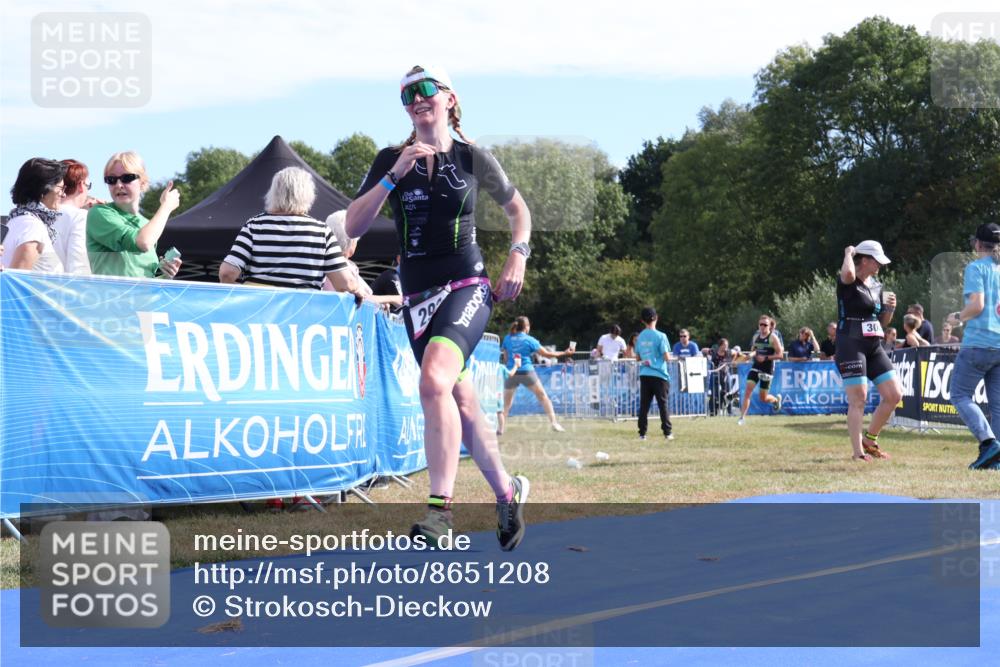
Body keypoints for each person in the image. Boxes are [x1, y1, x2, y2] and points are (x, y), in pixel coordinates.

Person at [345, 65, 532, 551]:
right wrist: (393, 176)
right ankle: (508, 492)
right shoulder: (391, 158)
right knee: (464, 405)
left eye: (426, 88)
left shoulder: (473, 158)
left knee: (432, 382)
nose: (417, 98)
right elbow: (353, 225)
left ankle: (439, 512)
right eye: (407, 93)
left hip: (466, 285)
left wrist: (518, 253)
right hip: (417, 297)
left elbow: (518, 210)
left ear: (450, 98)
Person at [219, 169, 365, 297]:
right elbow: (344, 283)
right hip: (302, 318)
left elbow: (227, 273)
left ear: (273, 193)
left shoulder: (254, 226)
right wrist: (357, 289)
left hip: (259, 316)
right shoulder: (322, 232)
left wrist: (244, 297)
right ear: (308, 195)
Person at [833, 241, 903, 461]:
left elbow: (882, 322)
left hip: (873, 345)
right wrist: (848, 252)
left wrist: (891, 309)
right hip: (850, 344)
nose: (880, 266)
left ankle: (870, 439)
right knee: (859, 399)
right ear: (864, 260)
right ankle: (858, 453)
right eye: (876, 261)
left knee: (894, 395)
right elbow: (848, 272)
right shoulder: (848, 281)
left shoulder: (877, 285)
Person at [947, 222, 1000, 470]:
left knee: (959, 394)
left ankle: (989, 444)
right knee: (997, 405)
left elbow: (977, 306)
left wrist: (956, 317)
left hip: (979, 342)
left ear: (978, 244)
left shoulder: (976, 268)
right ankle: (997, 459)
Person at [87, 151, 182, 278]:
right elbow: (143, 243)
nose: (119, 185)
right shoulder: (99, 213)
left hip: (143, 297)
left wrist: (166, 274)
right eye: (111, 180)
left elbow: (146, 280)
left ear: (143, 183)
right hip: (113, 297)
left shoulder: (148, 226)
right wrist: (166, 207)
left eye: (127, 178)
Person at [500, 316, 573, 434]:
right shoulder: (530, 340)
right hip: (526, 372)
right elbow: (548, 355)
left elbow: (505, 357)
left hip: (511, 372)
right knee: (543, 396)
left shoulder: (507, 338)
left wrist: (509, 368)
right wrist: (565, 353)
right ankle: (554, 423)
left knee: (506, 403)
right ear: (526, 327)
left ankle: (500, 428)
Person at [324, 210, 402, 310]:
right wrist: (392, 298)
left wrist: (381, 301)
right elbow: (364, 296)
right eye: (356, 240)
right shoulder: (345, 267)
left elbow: (366, 295)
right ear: (351, 242)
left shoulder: (321, 261)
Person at [3, 157, 66, 271]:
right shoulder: (33, 226)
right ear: (43, 190)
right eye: (61, 188)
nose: (63, 194)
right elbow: (18, 280)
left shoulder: (16, 220)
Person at [634, 307, 674, 441]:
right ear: (656, 318)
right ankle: (667, 433)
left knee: (644, 405)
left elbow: (637, 358)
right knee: (663, 404)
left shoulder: (640, 337)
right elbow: (667, 357)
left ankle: (642, 433)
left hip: (645, 374)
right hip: (659, 375)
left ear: (642, 320)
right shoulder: (661, 336)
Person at [737, 315, 785, 425]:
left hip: (767, 369)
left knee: (763, 398)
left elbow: (780, 355)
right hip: (756, 366)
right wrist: (750, 355)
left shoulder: (773, 337)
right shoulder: (756, 337)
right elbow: (755, 350)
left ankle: (776, 400)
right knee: (747, 392)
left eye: (765, 325)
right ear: (758, 325)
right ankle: (742, 418)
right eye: (761, 324)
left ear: (769, 326)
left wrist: (766, 358)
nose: (763, 327)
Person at [53, 158, 97, 274]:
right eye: (89, 185)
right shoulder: (80, 217)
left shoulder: (41, 214)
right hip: (63, 288)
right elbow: (78, 265)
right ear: (81, 185)